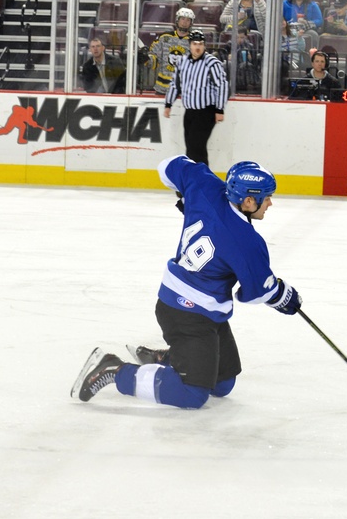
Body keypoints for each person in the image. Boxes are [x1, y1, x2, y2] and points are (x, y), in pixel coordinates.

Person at [70, 156, 302, 409]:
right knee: (192, 394)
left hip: (201, 309)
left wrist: (187, 196)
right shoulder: (247, 242)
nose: (270, 203)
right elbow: (259, 292)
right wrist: (286, 298)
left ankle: (167, 358)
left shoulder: (206, 186)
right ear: (248, 201)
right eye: (266, 197)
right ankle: (113, 369)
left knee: (222, 384)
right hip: (186, 315)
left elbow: (168, 165)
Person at [163, 29, 228, 168]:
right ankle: (196, 181)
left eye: (200, 44)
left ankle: (199, 181)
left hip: (206, 111)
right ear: (189, 45)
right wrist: (168, 104)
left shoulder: (212, 63)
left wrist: (219, 109)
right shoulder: (182, 62)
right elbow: (175, 84)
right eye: (194, 43)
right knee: (191, 147)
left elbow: (222, 85)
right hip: (190, 112)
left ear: (204, 45)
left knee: (196, 146)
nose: (197, 47)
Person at [150, 7, 194, 94]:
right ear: (177, 20)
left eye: (188, 20)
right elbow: (154, 57)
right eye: (182, 19)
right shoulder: (164, 37)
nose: (184, 22)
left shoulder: (194, 41)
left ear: (191, 23)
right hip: (162, 88)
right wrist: (147, 59)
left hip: (184, 90)